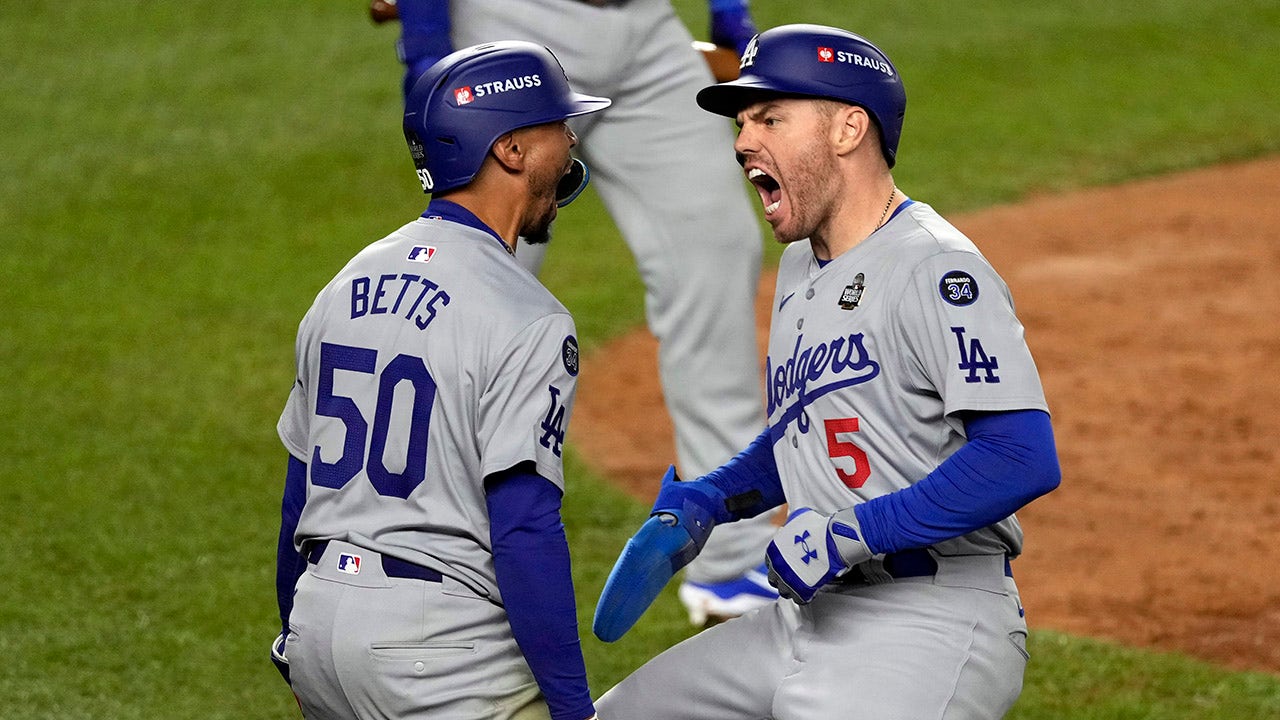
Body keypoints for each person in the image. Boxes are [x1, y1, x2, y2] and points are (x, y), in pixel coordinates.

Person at [592, 24, 1062, 719]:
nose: (743, 140)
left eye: (771, 118)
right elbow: (809, 428)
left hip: (929, 620)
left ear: (848, 128)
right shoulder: (801, 266)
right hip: (807, 616)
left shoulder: (934, 266)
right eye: (744, 121)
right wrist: (711, 500)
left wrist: (851, 533)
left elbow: (1021, 458)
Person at [382, 0, 781, 626]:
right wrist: (427, 49)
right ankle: (411, 551)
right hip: (513, 28)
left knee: (715, 249)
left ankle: (729, 557)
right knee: (474, 279)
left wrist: (730, 15)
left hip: (648, 35)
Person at [270, 41, 610, 720]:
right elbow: (524, 527)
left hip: (318, 625)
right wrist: (574, 707)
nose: (570, 142)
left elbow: (296, 496)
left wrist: (299, 628)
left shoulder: (344, 282)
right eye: (555, 126)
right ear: (511, 150)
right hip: (439, 655)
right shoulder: (530, 317)